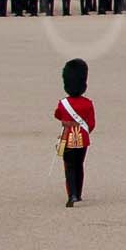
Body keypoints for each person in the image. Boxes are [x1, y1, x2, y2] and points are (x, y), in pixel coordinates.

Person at [54, 59, 95, 207]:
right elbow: (91, 124)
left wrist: (66, 122)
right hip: (82, 139)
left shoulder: (63, 103)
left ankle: (71, 195)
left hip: (68, 138)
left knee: (69, 167)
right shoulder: (88, 103)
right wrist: (84, 131)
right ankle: (78, 193)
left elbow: (57, 114)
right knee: (79, 165)